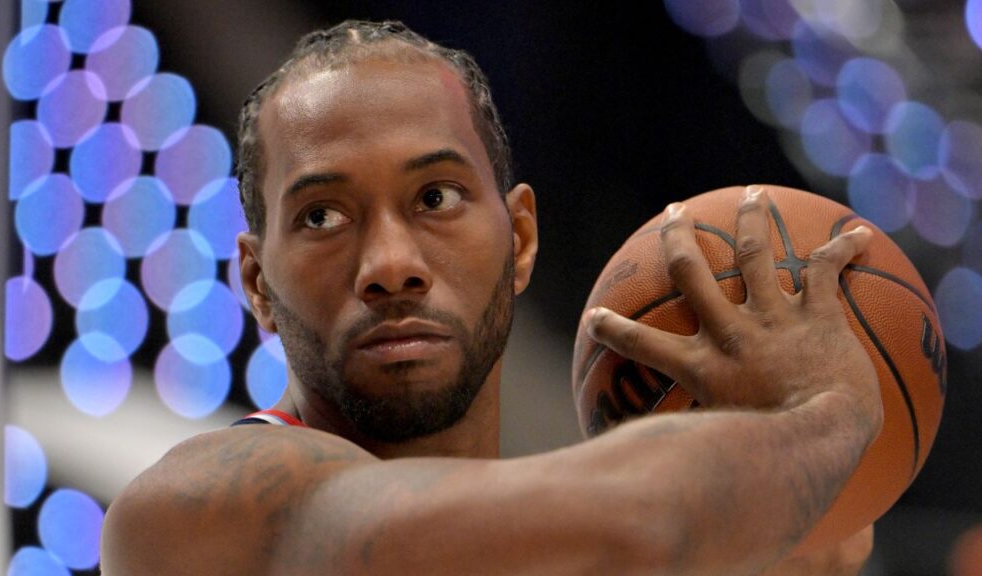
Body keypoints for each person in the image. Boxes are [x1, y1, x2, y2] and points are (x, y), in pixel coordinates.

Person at [100, 20, 880, 575]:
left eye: (436, 197)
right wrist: (827, 412)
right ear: (257, 285)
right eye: (323, 216)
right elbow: (637, 519)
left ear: (522, 241)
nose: (391, 264)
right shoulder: (194, 507)